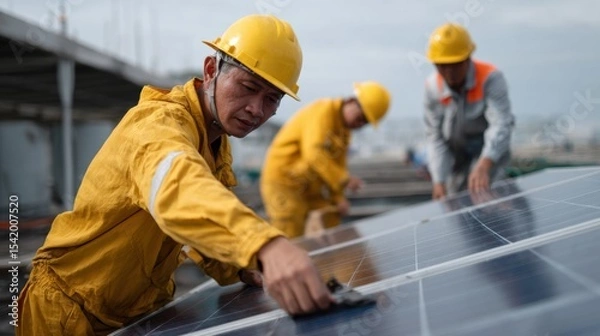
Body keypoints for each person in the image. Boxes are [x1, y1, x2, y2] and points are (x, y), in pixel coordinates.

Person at [17, 14, 335, 336]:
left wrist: (244, 266)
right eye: (248, 87)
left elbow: (198, 227)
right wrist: (265, 245)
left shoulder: (214, 141)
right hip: (67, 312)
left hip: (130, 312)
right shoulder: (158, 125)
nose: (257, 109)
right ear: (211, 70)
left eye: (271, 99)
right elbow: (179, 189)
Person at [260, 81, 391, 238]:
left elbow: (338, 164)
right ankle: (283, 261)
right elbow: (314, 153)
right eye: (360, 117)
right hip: (283, 182)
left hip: (307, 186)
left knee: (331, 215)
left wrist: (338, 198)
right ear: (351, 102)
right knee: (289, 231)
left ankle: (336, 259)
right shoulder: (323, 112)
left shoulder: (344, 132)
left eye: (365, 122)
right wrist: (344, 180)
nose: (360, 124)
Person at [423, 23, 515, 200]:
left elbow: (501, 123)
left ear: (468, 58)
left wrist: (485, 164)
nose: (449, 72)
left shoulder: (490, 77)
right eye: (442, 65)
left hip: (490, 155)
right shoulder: (433, 88)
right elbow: (435, 136)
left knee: (492, 200)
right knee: (457, 203)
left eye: (455, 64)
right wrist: (438, 180)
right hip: (457, 157)